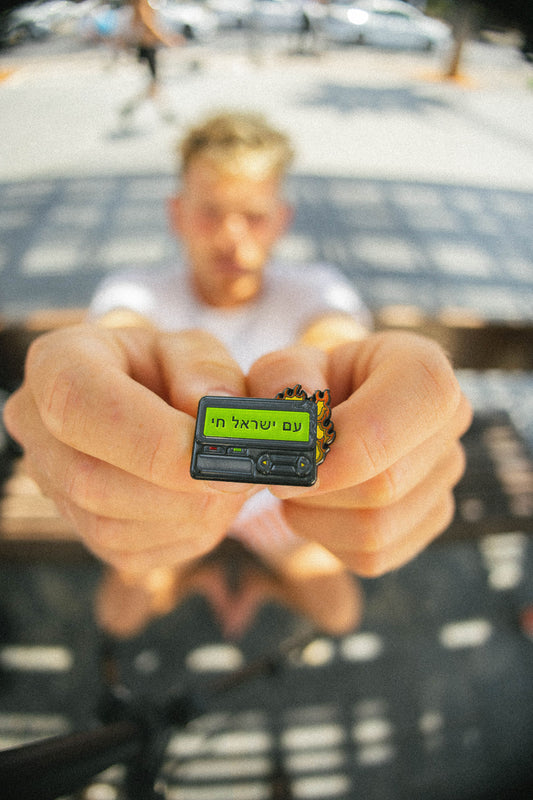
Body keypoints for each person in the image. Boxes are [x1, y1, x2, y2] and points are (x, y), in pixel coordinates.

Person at [3, 111, 472, 641]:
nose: (231, 236)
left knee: (340, 612)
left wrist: (369, 374)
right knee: (119, 613)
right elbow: (119, 328)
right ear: (176, 214)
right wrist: (78, 375)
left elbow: (337, 336)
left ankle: (252, 583)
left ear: (281, 219)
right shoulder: (135, 287)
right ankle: (201, 579)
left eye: (253, 215)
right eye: (210, 213)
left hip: (287, 506)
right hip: (178, 501)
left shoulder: (316, 285)